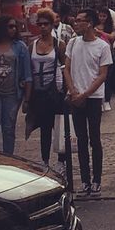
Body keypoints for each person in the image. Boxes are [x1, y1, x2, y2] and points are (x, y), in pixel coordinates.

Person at [65, 9, 112, 198]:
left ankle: (97, 179)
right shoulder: (73, 42)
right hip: (76, 95)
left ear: (90, 23)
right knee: (81, 139)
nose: (76, 24)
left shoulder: (102, 46)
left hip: (93, 97)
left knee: (95, 138)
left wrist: (85, 94)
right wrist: (73, 91)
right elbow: (66, 68)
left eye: (80, 21)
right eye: (75, 20)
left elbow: (102, 75)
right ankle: (84, 179)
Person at [26, 9, 67, 168]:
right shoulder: (32, 46)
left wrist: (66, 89)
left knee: (58, 127)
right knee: (44, 128)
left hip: (55, 92)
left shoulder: (59, 45)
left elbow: (65, 68)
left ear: (51, 25)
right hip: (39, 92)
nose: (42, 27)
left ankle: (61, 162)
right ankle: (45, 161)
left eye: (46, 24)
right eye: (40, 24)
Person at [0, 17, 31, 156]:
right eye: (9, 26)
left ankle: (8, 156)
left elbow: (27, 73)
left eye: (14, 26)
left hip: (12, 93)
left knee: (8, 127)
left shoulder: (20, 47)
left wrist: (27, 99)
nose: (13, 29)